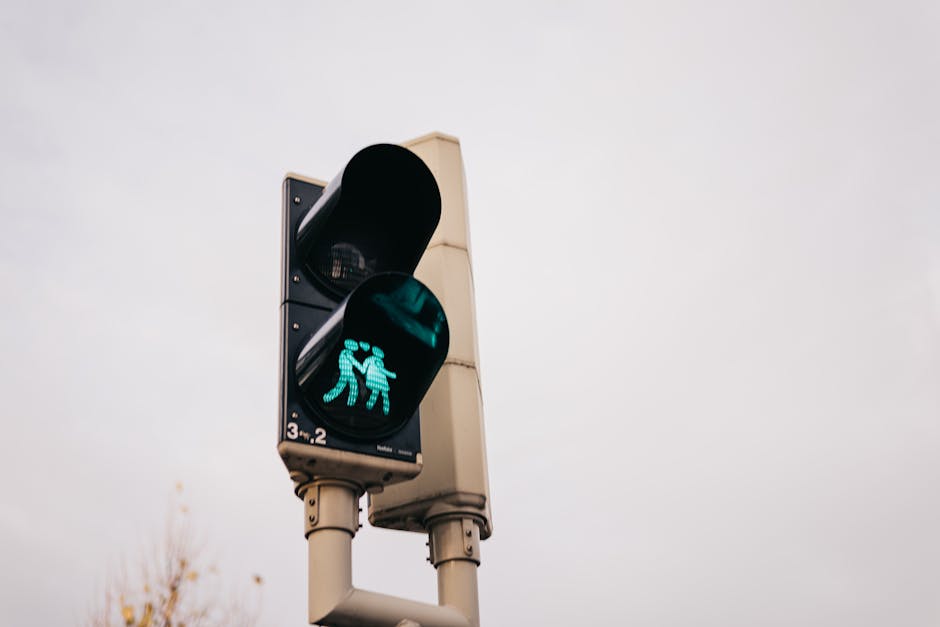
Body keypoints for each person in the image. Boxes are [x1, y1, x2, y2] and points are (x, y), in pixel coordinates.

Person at [322, 339, 365, 407]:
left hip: (346, 371)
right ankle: (350, 402)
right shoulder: (346, 353)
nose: (356, 348)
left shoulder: (345, 353)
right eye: (354, 346)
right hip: (347, 371)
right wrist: (361, 368)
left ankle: (328, 397)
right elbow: (354, 362)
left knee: (343, 386)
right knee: (351, 385)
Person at [362, 345, 397, 416]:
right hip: (378, 380)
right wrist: (392, 375)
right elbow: (381, 370)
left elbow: (364, 368)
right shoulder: (375, 360)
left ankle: (372, 407)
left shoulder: (377, 360)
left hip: (378, 380)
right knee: (383, 395)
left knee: (378, 394)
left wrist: (365, 375)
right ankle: (382, 410)